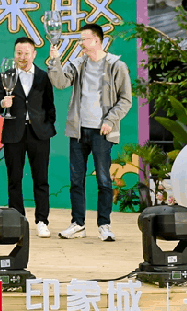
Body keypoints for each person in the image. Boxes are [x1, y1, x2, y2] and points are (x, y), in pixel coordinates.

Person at [47, 23, 132, 242]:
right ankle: (78, 224)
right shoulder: (78, 63)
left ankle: (104, 224)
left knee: (103, 180)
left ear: (96, 40)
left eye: (83, 40)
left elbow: (126, 100)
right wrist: (55, 61)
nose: (80, 44)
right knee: (76, 180)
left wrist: (110, 120)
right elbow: (60, 83)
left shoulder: (116, 65)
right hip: (78, 131)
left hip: (102, 132)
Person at [0, 36, 56, 237]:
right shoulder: (5, 76)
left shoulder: (43, 77)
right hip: (13, 134)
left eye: (27, 53)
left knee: (41, 179)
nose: (22, 57)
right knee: (14, 179)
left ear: (34, 54)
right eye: (19, 53)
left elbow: (50, 106)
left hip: (39, 134)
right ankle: (17, 220)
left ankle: (42, 221)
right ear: (14, 54)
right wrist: (3, 104)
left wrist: (46, 125)